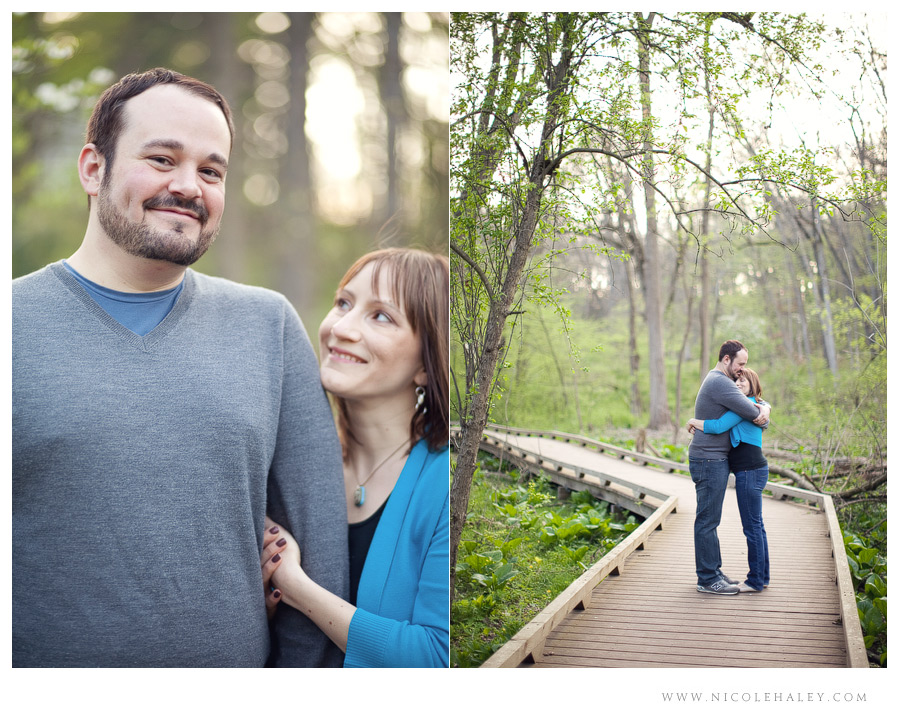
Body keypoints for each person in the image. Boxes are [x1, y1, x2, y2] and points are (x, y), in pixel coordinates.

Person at [12, 68, 347, 667]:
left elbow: (319, 544)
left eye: (211, 171)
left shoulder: (268, 326)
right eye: (162, 159)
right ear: (93, 169)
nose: (189, 186)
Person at [259, 247, 450, 667]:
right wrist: (265, 608)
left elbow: (436, 657)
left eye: (381, 316)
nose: (341, 328)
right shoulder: (284, 464)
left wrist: (293, 585)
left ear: (426, 362)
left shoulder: (444, 483)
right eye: (343, 303)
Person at [687, 339, 770, 596]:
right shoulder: (721, 382)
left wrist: (765, 408)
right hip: (708, 459)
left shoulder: (720, 380)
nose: (742, 369)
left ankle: (713, 571)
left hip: (715, 459)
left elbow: (757, 411)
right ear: (726, 359)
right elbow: (752, 412)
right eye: (740, 364)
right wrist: (764, 409)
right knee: (707, 520)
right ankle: (707, 578)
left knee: (711, 519)